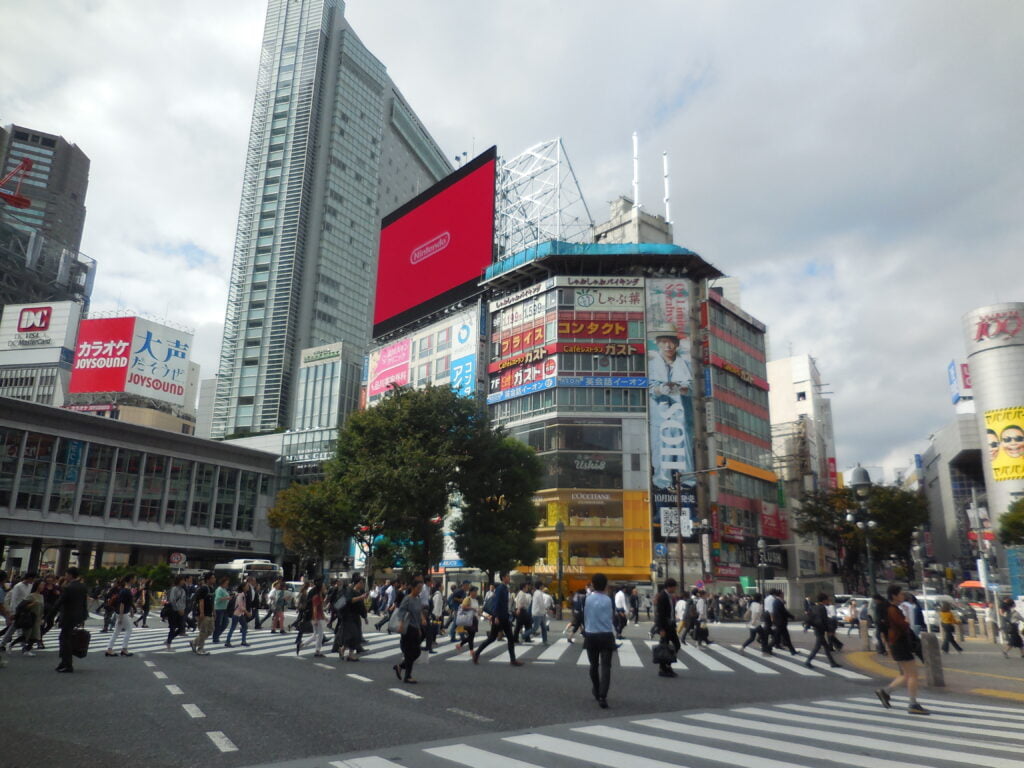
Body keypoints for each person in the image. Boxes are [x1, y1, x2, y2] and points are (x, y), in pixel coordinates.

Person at [875, 584, 929, 715]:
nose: (903, 596)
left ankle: (885, 692)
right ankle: (913, 704)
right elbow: (903, 625)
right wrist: (906, 620)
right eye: (901, 594)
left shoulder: (891, 608)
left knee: (905, 674)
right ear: (894, 595)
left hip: (896, 644)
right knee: (913, 675)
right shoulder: (893, 610)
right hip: (900, 643)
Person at [473, 572, 522, 666]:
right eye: (508, 576)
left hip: (504, 617)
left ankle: (513, 659)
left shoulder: (504, 588)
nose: (509, 578)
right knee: (492, 638)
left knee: (508, 638)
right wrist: (495, 617)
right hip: (500, 617)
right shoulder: (500, 589)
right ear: (503, 578)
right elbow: (496, 603)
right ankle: (477, 653)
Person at [583, 573, 616, 709]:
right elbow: (611, 617)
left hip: (591, 634)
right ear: (605, 585)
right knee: (606, 666)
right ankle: (603, 696)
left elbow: (585, 616)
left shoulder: (588, 599)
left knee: (593, 665)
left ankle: (596, 690)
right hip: (606, 635)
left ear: (593, 584)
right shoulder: (608, 600)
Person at [54, 567, 88, 673]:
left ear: (70, 575)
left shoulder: (68, 587)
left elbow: (60, 602)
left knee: (65, 639)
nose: (65, 576)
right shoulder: (83, 586)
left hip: (68, 616)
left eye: (66, 574)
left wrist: (48, 616)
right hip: (77, 616)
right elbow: (84, 603)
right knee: (65, 638)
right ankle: (64, 662)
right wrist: (83, 617)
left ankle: (67, 664)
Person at [393, 577, 424, 684]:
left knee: (417, 652)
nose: (420, 590)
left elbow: (419, 613)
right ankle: (408, 676)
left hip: (415, 628)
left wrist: (420, 626)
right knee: (410, 653)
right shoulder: (407, 598)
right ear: (413, 588)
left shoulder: (418, 599)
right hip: (408, 628)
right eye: (418, 588)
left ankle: (400, 666)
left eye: (421, 588)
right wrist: (401, 624)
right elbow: (401, 611)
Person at [336, 575, 368, 661]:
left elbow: (361, 606)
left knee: (356, 636)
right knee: (353, 635)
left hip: (356, 616)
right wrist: (361, 597)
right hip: (348, 616)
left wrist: (365, 616)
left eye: (363, 583)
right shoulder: (350, 591)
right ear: (356, 583)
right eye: (361, 582)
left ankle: (347, 652)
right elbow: (349, 600)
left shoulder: (360, 592)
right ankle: (345, 651)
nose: (362, 584)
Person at [804, 593, 841, 668]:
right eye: (827, 600)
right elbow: (824, 620)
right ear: (824, 600)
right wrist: (829, 630)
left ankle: (832, 663)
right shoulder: (822, 608)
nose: (828, 601)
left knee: (826, 647)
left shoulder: (813, 607)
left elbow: (810, 618)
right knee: (817, 647)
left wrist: (807, 627)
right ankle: (808, 661)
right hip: (820, 630)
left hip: (816, 629)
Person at [654, 578, 679, 677]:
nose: (675, 588)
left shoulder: (669, 596)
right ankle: (664, 668)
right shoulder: (662, 597)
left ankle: (666, 667)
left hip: (670, 625)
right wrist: (661, 629)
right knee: (666, 647)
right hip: (665, 626)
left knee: (673, 646)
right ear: (669, 587)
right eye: (674, 587)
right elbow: (659, 614)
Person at [104, 575, 135, 657]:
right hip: (122, 613)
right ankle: (124, 649)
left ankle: (109, 649)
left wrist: (131, 610)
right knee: (129, 629)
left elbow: (128, 602)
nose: (135, 580)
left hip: (121, 613)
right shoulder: (125, 591)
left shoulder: (126, 590)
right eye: (134, 578)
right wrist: (121, 616)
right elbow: (122, 604)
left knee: (116, 631)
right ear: (130, 579)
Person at [189, 572, 216, 655]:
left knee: (210, 631)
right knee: (203, 631)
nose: (214, 579)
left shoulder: (212, 588)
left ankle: (194, 642)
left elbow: (212, 601)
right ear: (208, 580)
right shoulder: (204, 588)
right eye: (213, 578)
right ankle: (200, 649)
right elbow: (201, 601)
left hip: (209, 613)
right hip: (203, 613)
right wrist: (201, 613)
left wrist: (214, 611)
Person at [299, 580, 326, 657]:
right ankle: (317, 651)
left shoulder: (320, 595)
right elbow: (314, 608)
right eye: (323, 586)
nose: (325, 587)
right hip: (316, 617)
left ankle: (302, 644)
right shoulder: (316, 596)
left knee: (316, 635)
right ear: (320, 588)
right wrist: (315, 618)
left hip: (318, 617)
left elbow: (320, 607)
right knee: (319, 635)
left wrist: (324, 616)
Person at [164, 576, 189, 651]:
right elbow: (172, 600)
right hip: (173, 611)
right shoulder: (174, 589)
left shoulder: (183, 590)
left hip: (181, 610)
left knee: (182, 627)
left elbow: (183, 601)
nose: (183, 582)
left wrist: (183, 609)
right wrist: (178, 609)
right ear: (178, 581)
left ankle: (169, 639)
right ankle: (168, 645)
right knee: (172, 628)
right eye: (182, 580)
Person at [224, 582, 251, 649]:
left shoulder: (243, 594)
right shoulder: (240, 595)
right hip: (237, 614)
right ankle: (228, 641)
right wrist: (247, 613)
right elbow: (240, 606)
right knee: (233, 627)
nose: (248, 587)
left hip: (239, 614)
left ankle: (243, 641)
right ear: (243, 587)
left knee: (244, 626)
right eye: (247, 586)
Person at [455, 586, 480, 652]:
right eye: (475, 591)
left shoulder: (476, 600)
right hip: (469, 619)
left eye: (476, 591)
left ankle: (460, 645)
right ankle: (471, 651)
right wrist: (472, 608)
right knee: (471, 636)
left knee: (471, 636)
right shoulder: (467, 599)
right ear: (471, 592)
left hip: (474, 620)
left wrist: (486, 616)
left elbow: (477, 610)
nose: (476, 593)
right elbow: (463, 607)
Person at [211, 576, 231, 643]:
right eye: (226, 583)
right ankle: (215, 637)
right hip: (219, 608)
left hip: (224, 608)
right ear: (222, 583)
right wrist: (226, 598)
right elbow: (217, 599)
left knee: (225, 622)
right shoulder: (219, 589)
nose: (227, 585)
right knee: (218, 624)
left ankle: (216, 635)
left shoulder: (224, 589)